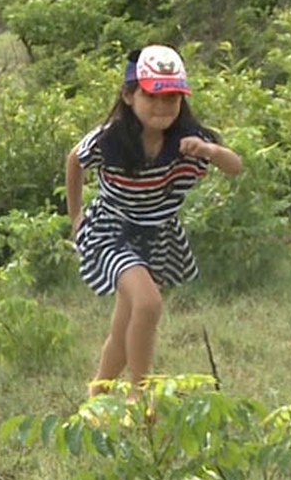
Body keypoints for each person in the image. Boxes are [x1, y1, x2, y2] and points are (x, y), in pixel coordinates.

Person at [65, 45, 242, 399]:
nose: (162, 107)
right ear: (129, 95)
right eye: (152, 96)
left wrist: (210, 151)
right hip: (111, 231)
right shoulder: (110, 136)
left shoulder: (187, 138)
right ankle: (139, 396)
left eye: (172, 98)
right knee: (148, 304)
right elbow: (74, 160)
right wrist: (76, 216)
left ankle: (95, 399)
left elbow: (234, 166)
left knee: (126, 323)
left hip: (158, 234)